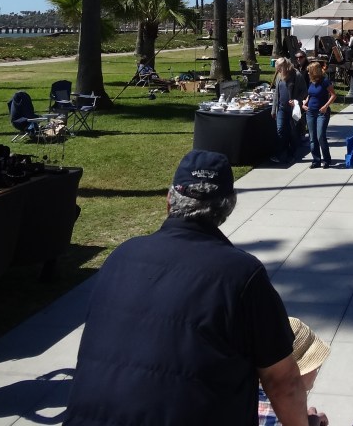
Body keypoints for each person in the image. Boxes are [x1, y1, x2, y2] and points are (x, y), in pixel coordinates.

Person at [64, 149, 310, 426]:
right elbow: (283, 382)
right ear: (229, 206)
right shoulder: (242, 274)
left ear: (169, 199)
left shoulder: (121, 256)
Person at [258, 317, 330, 426]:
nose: (317, 370)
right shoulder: (276, 414)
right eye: (316, 365)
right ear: (296, 371)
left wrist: (307, 419)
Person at [301, 61, 335, 169]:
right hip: (310, 112)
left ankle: (326, 159)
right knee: (312, 137)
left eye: (309, 71)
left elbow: (333, 95)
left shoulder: (325, 81)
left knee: (320, 136)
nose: (308, 73)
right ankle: (316, 160)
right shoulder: (311, 82)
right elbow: (310, 95)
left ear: (314, 71)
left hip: (322, 112)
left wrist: (325, 106)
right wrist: (304, 103)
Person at [271, 58, 298, 164]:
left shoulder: (296, 75)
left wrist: (296, 100)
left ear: (284, 66)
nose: (277, 70)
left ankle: (291, 154)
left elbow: (304, 91)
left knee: (292, 132)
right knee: (280, 130)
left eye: (279, 68)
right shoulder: (279, 76)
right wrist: (273, 109)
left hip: (292, 109)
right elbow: (276, 94)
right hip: (281, 108)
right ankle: (281, 153)